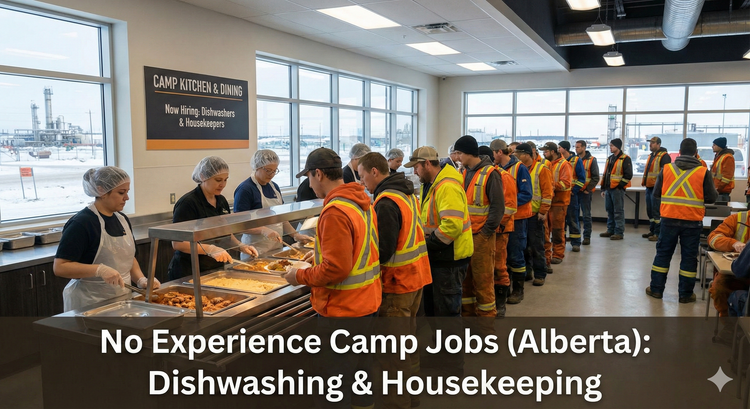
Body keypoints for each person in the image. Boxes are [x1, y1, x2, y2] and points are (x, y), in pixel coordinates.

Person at [282, 148, 381, 409]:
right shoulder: (360, 201)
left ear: (319, 173)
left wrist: (299, 275)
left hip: (342, 309)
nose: (309, 184)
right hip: (366, 302)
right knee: (361, 377)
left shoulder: (335, 210)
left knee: (334, 384)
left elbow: (336, 269)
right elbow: (358, 249)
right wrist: (317, 259)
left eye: (309, 178)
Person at [357, 152, 431, 409]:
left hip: (397, 284)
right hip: (415, 277)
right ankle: (412, 396)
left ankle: (397, 403)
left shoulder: (386, 202)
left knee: (392, 353)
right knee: (408, 346)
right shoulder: (405, 192)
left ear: (374, 172)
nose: (362, 181)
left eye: (363, 175)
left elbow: (384, 250)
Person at [54, 167, 160, 312]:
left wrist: (141, 280)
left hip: (121, 300)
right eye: (121, 193)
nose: (127, 198)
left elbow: (128, 258)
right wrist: (99, 270)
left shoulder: (121, 219)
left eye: (127, 192)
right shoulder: (82, 223)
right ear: (101, 191)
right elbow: (60, 267)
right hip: (89, 303)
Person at [404, 146, 473, 317]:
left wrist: (426, 244)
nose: (415, 171)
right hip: (441, 256)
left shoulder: (446, 186)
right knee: (437, 311)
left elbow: (452, 226)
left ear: (427, 164)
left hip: (449, 258)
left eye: (416, 167)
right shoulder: (433, 185)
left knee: (446, 314)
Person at [647, 138, 718, 303]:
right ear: (695, 152)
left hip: (669, 219)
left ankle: (656, 290)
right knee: (689, 257)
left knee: (663, 255)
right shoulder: (702, 172)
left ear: (679, 151)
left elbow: (656, 193)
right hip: (692, 222)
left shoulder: (666, 169)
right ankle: (685, 294)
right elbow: (712, 198)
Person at [168, 156, 257, 281]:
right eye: (218, 180)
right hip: (189, 270)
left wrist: (240, 245)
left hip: (215, 268)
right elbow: (178, 244)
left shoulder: (221, 200)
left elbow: (224, 233)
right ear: (203, 177)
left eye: (225, 180)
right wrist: (210, 249)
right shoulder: (187, 203)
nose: (223, 184)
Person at [454, 136, 504, 320]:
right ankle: (468, 322)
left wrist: (484, 234)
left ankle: (486, 331)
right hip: (466, 236)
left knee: (483, 284)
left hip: (481, 237)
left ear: (468, 152)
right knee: (466, 283)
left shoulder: (491, 174)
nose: (457, 157)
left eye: (459, 153)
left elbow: (498, 209)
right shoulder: (465, 172)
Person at [234, 150, 312, 255]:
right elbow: (239, 225)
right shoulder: (245, 189)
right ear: (257, 167)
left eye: (275, 171)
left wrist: (295, 235)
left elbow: (281, 219)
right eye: (268, 170)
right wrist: (263, 230)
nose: (272, 174)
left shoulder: (274, 187)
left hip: (276, 247)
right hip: (254, 249)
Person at [490, 139, 532, 305]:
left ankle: (518, 290)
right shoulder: (497, 169)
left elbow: (526, 194)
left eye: (493, 154)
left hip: (518, 218)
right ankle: (505, 288)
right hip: (504, 220)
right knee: (503, 257)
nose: (492, 157)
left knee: (516, 255)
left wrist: (506, 203)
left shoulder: (519, 168)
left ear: (499, 152)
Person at [480, 145, 516, 317]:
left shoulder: (503, 176)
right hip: (485, 230)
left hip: (499, 230)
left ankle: (501, 303)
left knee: (499, 267)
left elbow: (508, 207)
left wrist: (495, 225)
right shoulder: (476, 176)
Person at [514, 143, 553, 286]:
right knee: (524, 246)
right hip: (523, 214)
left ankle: (540, 274)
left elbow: (548, 193)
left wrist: (543, 211)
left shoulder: (541, 169)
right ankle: (527, 272)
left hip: (536, 214)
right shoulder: (520, 169)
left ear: (527, 155)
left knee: (537, 246)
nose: (516, 157)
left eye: (518, 154)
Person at [707, 211, 750, 317]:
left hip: (739, 270)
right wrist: (733, 243)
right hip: (735, 275)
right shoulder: (739, 219)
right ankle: (729, 326)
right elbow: (713, 238)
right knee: (720, 288)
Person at [540, 142, 573, 264]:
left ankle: (558, 254)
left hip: (559, 202)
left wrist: (550, 185)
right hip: (548, 201)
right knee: (545, 230)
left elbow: (567, 183)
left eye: (546, 151)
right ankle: (547, 253)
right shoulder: (546, 164)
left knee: (558, 230)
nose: (544, 153)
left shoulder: (564, 165)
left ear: (552, 152)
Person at [600, 138, 632, 240]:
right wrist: (603, 188)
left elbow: (628, 175)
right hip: (608, 189)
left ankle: (619, 232)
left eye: (612, 146)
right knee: (609, 210)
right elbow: (606, 175)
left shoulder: (625, 159)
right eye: (610, 145)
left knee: (618, 211)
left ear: (617, 146)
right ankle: (610, 230)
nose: (610, 147)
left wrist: (619, 186)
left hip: (617, 190)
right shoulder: (610, 158)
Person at [641, 137, 671, 242]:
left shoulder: (664, 156)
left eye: (653, 143)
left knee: (656, 212)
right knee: (650, 211)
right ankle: (652, 230)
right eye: (650, 143)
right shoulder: (651, 156)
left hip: (657, 189)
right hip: (649, 187)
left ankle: (658, 233)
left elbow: (666, 174)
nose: (650, 145)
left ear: (658, 144)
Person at [558, 141, 586, 252]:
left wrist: (574, 191)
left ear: (565, 149)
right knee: (561, 220)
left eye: (559, 147)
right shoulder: (559, 161)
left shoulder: (576, 160)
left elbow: (581, 179)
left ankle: (576, 243)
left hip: (571, 195)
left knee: (573, 219)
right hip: (560, 195)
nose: (558, 149)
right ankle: (561, 241)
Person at [575, 140, 600, 245]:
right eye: (575, 147)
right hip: (576, 192)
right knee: (574, 215)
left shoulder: (591, 160)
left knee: (586, 215)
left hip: (585, 192)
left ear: (584, 147)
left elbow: (595, 177)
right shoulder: (574, 160)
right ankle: (575, 236)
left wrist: (587, 189)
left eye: (578, 147)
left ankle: (586, 237)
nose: (576, 149)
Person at [711, 136, 735, 202]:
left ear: (719, 146)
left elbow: (727, 177)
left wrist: (718, 188)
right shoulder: (718, 156)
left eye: (714, 145)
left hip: (722, 191)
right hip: (717, 190)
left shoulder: (728, 157)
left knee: (722, 210)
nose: (712, 147)